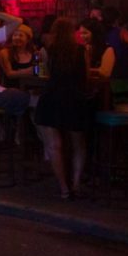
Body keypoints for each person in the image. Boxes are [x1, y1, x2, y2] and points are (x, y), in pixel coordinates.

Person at [35, 18, 89, 199]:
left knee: (54, 145)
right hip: (75, 99)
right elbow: (86, 77)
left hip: (52, 98)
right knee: (78, 144)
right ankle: (76, 183)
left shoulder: (48, 51)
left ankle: (64, 188)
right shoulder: (82, 51)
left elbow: (46, 73)